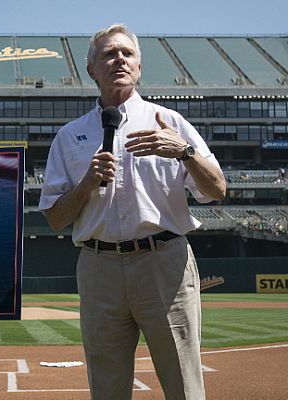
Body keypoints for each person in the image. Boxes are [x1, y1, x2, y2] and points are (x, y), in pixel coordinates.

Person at [39, 24, 226, 399]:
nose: (118, 59)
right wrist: (87, 183)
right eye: (108, 54)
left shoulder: (170, 123)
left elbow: (217, 189)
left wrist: (185, 152)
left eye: (126, 53)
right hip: (99, 268)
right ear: (92, 70)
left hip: (165, 264)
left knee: (184, 386)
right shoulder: (70, 135)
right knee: (107, 390)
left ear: (139, 67)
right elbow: (56, 218)